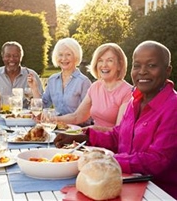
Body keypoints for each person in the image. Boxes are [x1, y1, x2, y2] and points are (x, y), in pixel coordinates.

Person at [54, 40, 177, 199]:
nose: (142, 72)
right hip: (124, 181)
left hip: (159, 192)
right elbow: (118, 136)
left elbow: (157, 160)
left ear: (167, 71)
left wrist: (107, 160)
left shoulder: (173, 107)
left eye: (151, 65)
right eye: (137, 65)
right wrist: (84, 137)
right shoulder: (135, 99)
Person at [56, 43, 132, 131]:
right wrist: (52, 119)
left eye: (109, 60)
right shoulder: (95, 86)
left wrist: (93, 129)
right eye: (100, 60)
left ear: (119, 65)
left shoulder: (128, 92)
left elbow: (120, 130)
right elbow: (77, 117)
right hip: (92, 140)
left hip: (112, 142)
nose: (104, 65)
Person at [29, 37, 92, 116]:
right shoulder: (53, 79)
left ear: (76, 56)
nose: (64, 59)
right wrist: (34, 88)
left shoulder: (84, 82)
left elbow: (87, 115)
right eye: (60, 55)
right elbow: (43, 106)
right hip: (56, 126)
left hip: (77, 127)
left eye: (68, 54)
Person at [0, 41, 44, 107]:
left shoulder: (31, 75)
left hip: (25, 116)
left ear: (21, 57)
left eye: (15, 56)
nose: (11, 59)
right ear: (3, 57)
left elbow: (41, 103)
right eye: (8, 56)